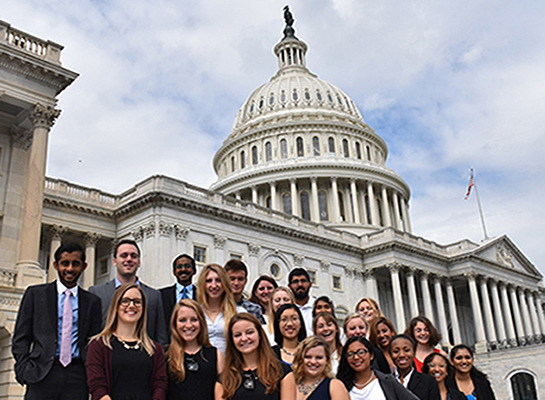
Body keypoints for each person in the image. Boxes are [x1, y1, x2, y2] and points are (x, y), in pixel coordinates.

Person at [12, 242, 102, 400]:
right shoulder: (35, 295)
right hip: (41, 374)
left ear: (84, 266)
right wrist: (24, 369)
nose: (70, 269)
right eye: (64, 263)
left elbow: (93, 342)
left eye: (76, 264)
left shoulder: (92, 302)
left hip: (77, 377)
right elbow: (21, 338)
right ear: (55, 265)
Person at [86, 283, 168, 400]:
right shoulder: (98, 345)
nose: (131, 305)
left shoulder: (155, 349)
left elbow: (160, 384)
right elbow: (96, 385)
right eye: (125, 301)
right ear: (116, 305)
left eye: (137, 302)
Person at [89, 239, 168, 345]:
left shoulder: (154, 296)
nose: (129, 259)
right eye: (124, 255)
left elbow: (160, 337)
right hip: (107, 357)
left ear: (139, 262)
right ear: (114, 261)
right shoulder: (97, 292)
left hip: (143, 357)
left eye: (133, 256)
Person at [215, 313, 296, 400]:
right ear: (232, 341)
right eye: (237, 335)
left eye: (249, 332)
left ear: (260, 334)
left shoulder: (282, 373)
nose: (244, 338)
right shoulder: (224, 380)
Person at [166, 299, 224, 400]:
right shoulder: (165, 355)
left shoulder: (215, 354)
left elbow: (222, 393)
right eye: (182, 320)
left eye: (194, 320)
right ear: (174, 324)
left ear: (201, 322)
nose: (188, 325)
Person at [337, 337, 418, 400]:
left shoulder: (387, 381)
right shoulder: (342, 386)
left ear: (371, 355)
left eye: (361, 352)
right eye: (350, 354)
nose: (356, 357)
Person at [197, 263, 243, 355]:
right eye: (209, 281)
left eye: (218, 280)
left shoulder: (238, 312)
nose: (214, 286)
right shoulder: (196, 313)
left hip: (231, 365)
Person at [389, 334, 440, 400]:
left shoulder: (428, 382)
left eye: (406, 350)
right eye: (396, 351)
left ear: (414, 353)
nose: (401, 355)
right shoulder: (386, 382)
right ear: (390, 355)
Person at [160, 254, 197, 340]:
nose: (183, 269)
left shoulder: (202, 295)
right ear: (174, 272)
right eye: (179, 267)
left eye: (187, 266)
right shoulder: (161, 295)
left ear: (194, 271)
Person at [288, 268, 316, 335]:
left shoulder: (318, 306)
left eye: (303, 281)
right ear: (289, 286)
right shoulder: (287, 308)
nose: (300, 284)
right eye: (295, 281)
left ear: (310, 284)